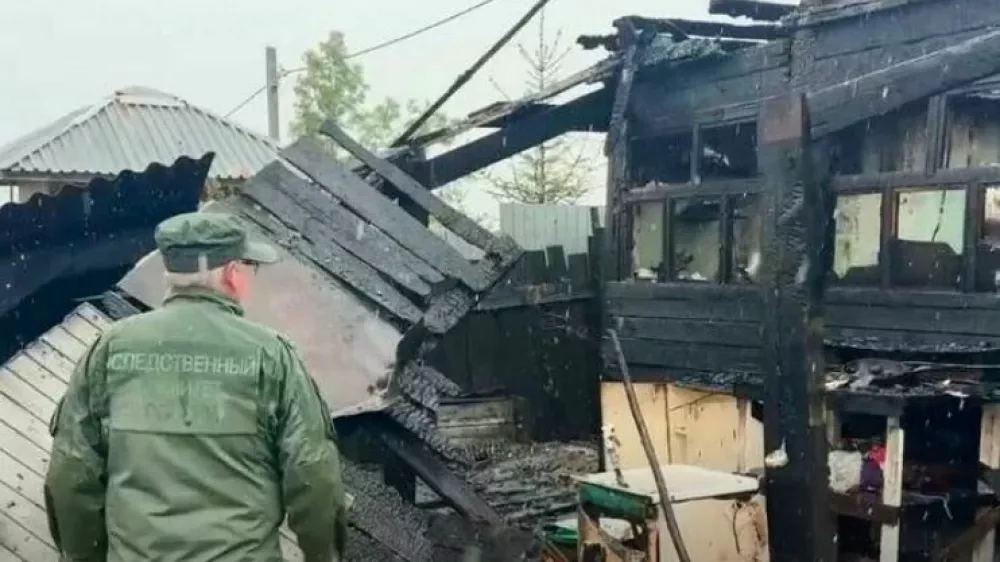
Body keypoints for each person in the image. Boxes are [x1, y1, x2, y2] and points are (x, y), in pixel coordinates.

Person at [44, 211, 348, 562]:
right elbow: (314, 478)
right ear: (233, 274)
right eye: (250, 266)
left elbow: (71, 475)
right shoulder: (272, 357)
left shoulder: (110, 350)